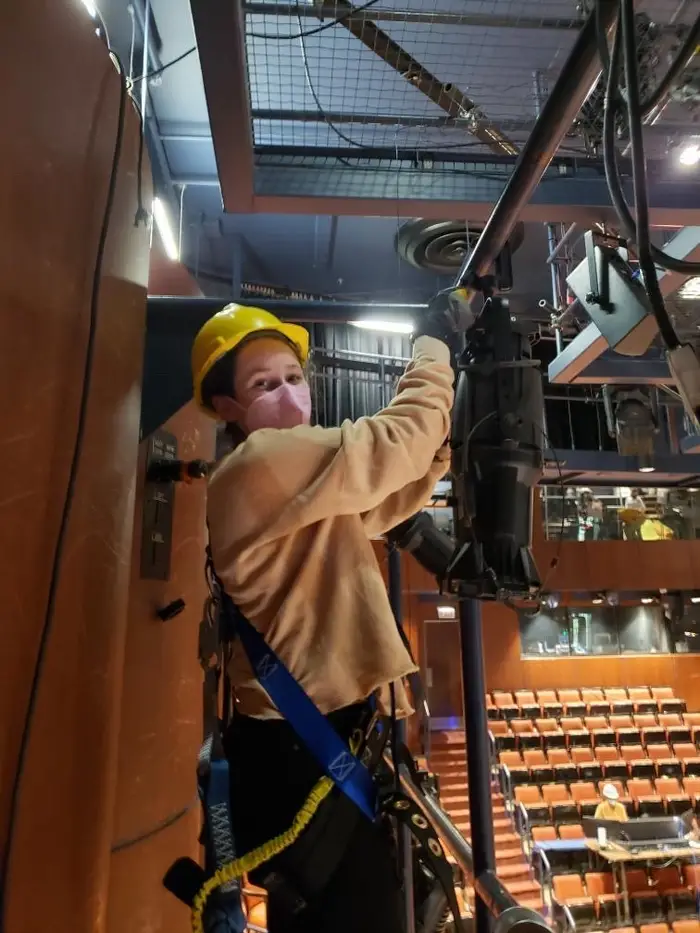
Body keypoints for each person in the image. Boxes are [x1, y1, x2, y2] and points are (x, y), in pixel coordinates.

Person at [191, 302, 458, 933]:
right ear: (227, 407)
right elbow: (395, 445)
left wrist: (438, 448)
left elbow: (381, 498)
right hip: (306, 747)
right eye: (264, 384)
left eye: (293, 376)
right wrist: (435, 351)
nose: (288, 393)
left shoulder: (287, 485)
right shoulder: (260, 467)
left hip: (315, 740)